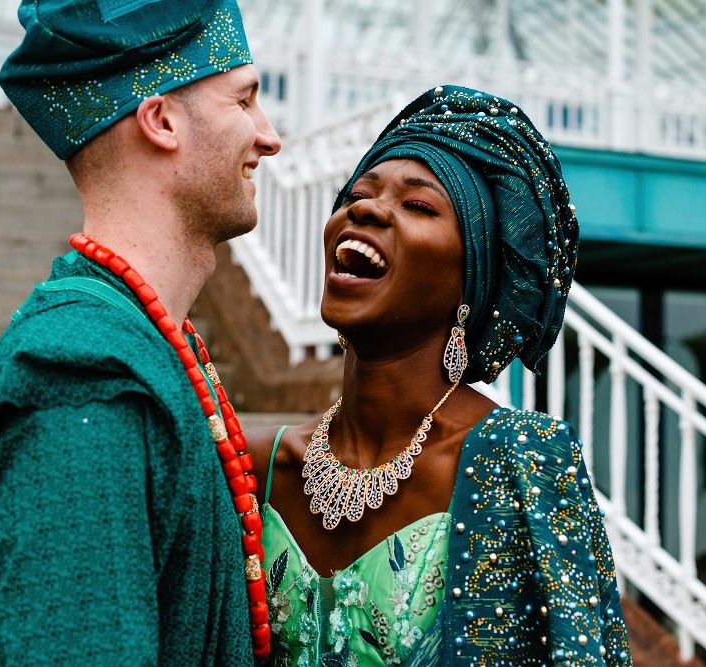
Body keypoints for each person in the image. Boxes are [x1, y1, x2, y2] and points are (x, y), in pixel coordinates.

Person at [248, 86, 632, 665]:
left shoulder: (524, 465)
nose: (366, 209)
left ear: (470, 285)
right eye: (356, 195)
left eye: (419, 206)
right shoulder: (255, 467)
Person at [0, 0, 280, 664]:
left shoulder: (144, 345)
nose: (268, 135)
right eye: (244, 101)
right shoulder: (78, 377)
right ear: (161, 120)